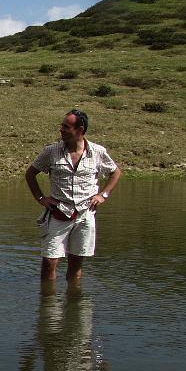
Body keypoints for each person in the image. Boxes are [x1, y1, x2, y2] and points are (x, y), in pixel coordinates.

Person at [24, 109, 122, 282]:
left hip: (85, 213)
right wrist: (41, 198)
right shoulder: (51, 151)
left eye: (66, 127)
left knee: (76, 262)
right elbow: (30, 174)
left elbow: (115, 173)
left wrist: (103, 195)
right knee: (49, 262)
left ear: (80, 130)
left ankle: (73, 302)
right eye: (61, 125)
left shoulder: (97, 152)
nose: (61, 130)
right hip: (58, 212)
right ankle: (48, 304)